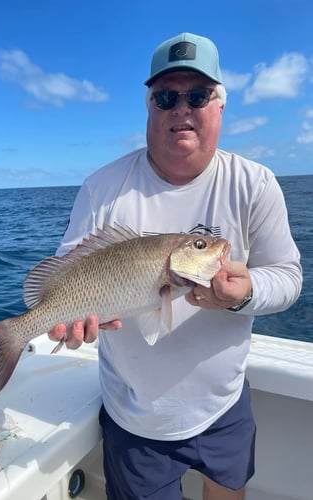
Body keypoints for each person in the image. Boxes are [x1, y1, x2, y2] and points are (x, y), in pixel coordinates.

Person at [49, 32, 302, 500]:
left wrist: (245, 294)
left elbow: (287, 277)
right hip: (135, 417)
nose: (181, 108)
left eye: (198, 95)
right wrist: (68, 321)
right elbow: (68, 269)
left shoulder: (255, 183)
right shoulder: (103, 186)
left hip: (224, 406)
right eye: (166, 97)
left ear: (220, 106)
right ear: (149, 108)